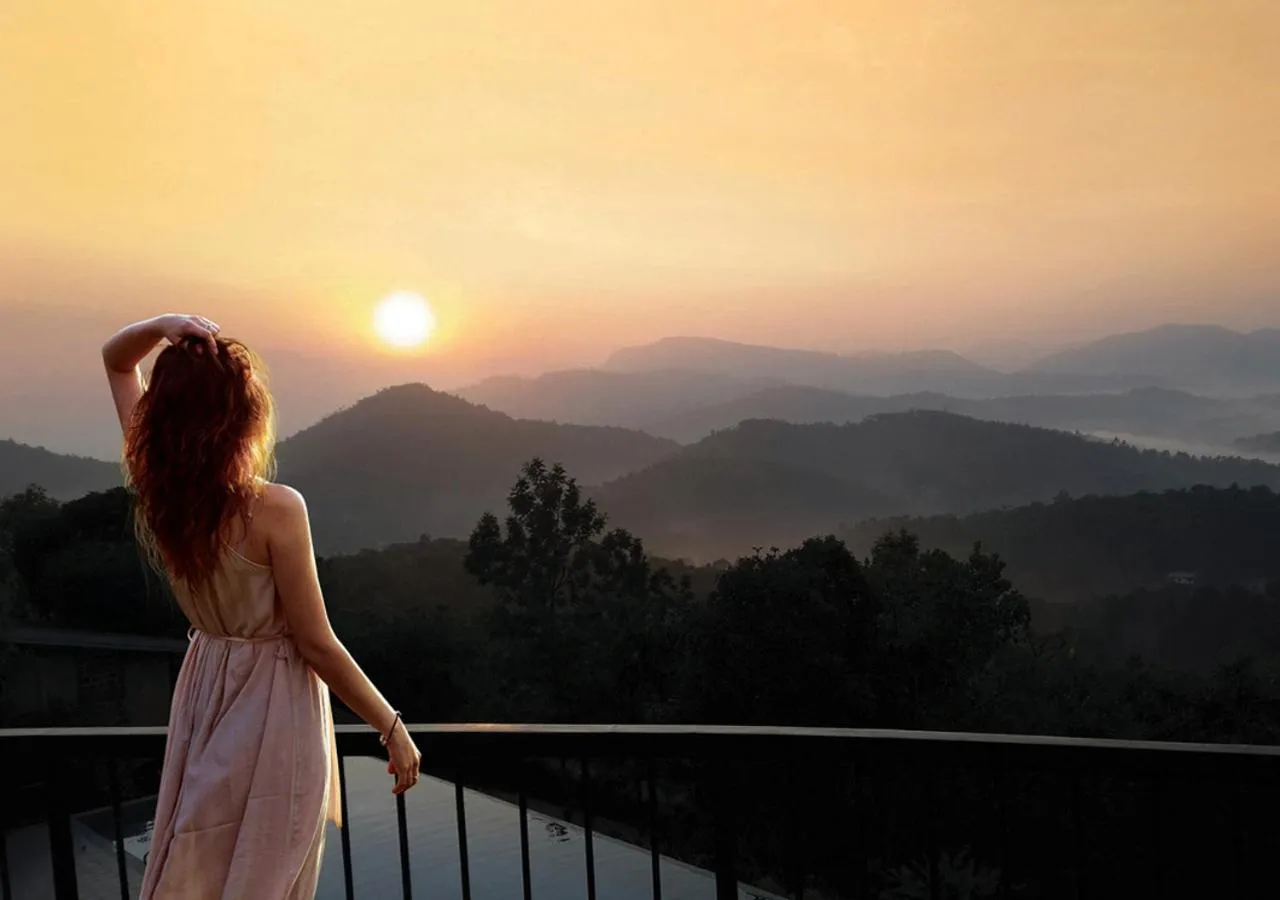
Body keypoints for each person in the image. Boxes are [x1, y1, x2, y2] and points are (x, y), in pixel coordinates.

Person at [103, 313, 422, 899]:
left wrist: (164, 323)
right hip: (274, 703)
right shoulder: (273, 508)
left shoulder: (161, 492)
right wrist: (390, 725)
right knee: (267, 868)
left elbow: (117, 359)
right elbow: (315, 640)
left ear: (164, 418)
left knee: (199, 853)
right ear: (240, 417)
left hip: (207, 686)